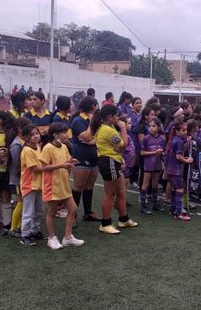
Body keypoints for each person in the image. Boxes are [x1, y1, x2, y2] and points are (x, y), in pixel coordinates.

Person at [92, 105, 138, 234]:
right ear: (110, 116)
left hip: (114, 161)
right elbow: (124, 144)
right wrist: (123, 128)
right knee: (109, 193)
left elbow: (120, 146)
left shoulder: (108, 127)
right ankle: (105, 223)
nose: (118, 118)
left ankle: (123, 219)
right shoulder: (108, 130)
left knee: (122, 191)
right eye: (116, 115)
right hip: (109, 161)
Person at [39, 122, 84, 250]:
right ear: (55, 134)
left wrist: (71, 161)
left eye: (66, 132)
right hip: (52, 185)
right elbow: (43, 167)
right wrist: (62, 165)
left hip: (63, 184)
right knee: (52, 212)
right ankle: (51, 238)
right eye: (63, 132)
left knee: (73, 209)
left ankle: (68, 237)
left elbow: (66, 161)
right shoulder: (47, 148)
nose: (66, 135)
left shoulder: (64, 147)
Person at [70, 97, 99, 223]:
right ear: (93, 106)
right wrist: (92, 124)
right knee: (78, 187)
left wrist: (93, 141)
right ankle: (72, 216)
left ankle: (88, 212)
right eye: (96, 105)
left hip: (94, 157)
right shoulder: (78, 120)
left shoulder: (93, 119)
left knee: (89, 186)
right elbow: (87, 137)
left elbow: (98, 138)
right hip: (81, 156)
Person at [19, 125, 44, 246]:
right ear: (26, 137)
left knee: (39, 210)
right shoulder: (27, 150)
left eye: (37, 133)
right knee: (28, 211)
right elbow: (35, 169)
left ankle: (35, 230)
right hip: (29, 185)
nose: (36, 136)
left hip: (38, 184)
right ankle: (25, 234)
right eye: (32, 134)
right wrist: (52, 167)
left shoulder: (37, 147)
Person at [7, 117, 32, 237]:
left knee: (24, 203)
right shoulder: (16, 145)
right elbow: (19, 164)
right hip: (18, 178)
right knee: (21, 202)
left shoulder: (23, 142)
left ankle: (20, 227)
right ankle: (13, 228)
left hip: (24, 177)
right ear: (20, 129)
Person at [165, 119, 193, 221]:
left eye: (186, 130)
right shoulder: (179, 141)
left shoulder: (174, 140)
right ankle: (178, 212)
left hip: (170, 169)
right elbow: (178, 156)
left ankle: (173, 209)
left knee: (174, 189)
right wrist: (187, 161)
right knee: (180, 189)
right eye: (183, 130)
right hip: (175, 170)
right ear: (177, 131)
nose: (185, 132)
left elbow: (178, 153)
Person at [139, 118, 166, 215]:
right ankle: (143, 206)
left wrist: (162, 153)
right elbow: (142, 152)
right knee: (145, 184)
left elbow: (164, 151)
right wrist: (154, 152)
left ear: (158, 127)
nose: (151, 128)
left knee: (155, 185)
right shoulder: (146, 138)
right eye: (150, 126)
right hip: (148, 164)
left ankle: (155, 204)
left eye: (153, 126)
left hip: (157, 164)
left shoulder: (162, 139)